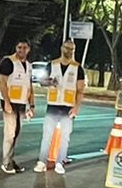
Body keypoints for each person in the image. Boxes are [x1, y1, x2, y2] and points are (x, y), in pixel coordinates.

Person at [34, 40, 85, 174]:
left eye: (72, 49)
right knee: (47, 136)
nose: (69, 51)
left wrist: (76, 107)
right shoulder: (52, 64)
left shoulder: (77, 68)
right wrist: (49, 82)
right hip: (53, 105)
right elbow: (41, 82)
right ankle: (41, 161)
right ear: (62, 48)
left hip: (68, 107)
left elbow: (80, 90)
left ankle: (60, 162)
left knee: (65, 137)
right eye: (67, 48)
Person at [0, 41, 35, 174]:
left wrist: (32, 105)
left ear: (28, 49)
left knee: (16, 132)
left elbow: (30, 87)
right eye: (19, 47)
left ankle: (10, 160)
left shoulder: (29, 66)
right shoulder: (8, 62)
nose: (21, 50)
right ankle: (6, 163)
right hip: (10, 102)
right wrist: (6, 102)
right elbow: (2, 82)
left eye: (24, 48)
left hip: (21, 104)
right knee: (10, 133)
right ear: (16, 48)